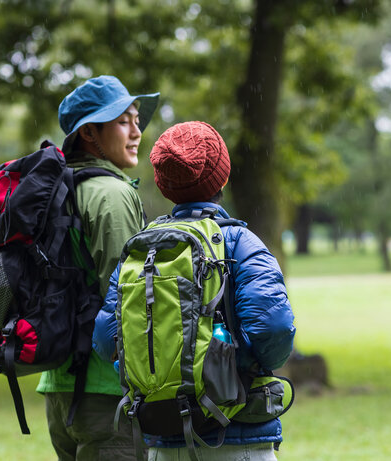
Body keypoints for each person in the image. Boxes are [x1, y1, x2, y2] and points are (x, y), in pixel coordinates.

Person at [93, 121, 296, 461]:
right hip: (236, 434)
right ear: (223, 177)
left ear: (164, 186)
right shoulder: (239, 242)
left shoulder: (142, 251)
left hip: (163, 437)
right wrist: (220, 367)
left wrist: (163, 375)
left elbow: (106, 337)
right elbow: (273, 330)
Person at [36, 75, 159, 460]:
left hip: (58, 386)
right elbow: (129, 294)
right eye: (124, 122)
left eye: (137, 120)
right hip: (107, 395)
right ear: (90, 133)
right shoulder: (112, 194)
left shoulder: (53, 188)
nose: (137, 132)